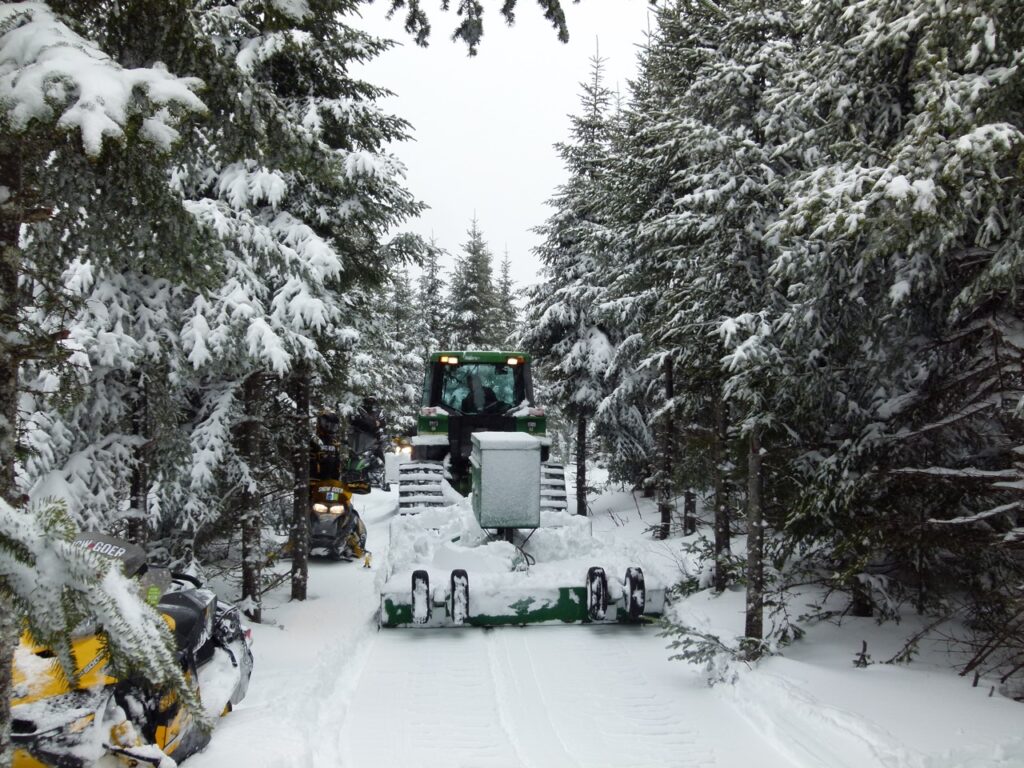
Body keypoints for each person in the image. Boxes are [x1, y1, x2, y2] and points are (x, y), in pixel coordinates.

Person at [310, 410, 344, 480]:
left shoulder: (334, 442)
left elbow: (337, 459)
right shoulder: (314, 438)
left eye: (334, 426)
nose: (331, 429)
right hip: (315, 478)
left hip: (332, 480)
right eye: (329, 425)